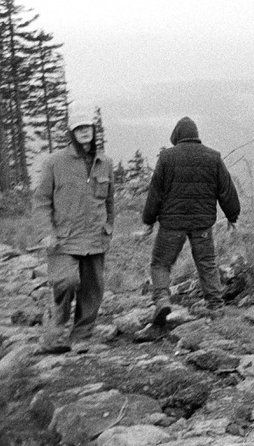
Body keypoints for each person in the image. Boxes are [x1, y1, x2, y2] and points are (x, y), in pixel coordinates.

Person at [135, 116, 240, 340]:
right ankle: (216, 307)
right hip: (201, 223)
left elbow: (156, 193)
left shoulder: (166, 157)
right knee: (207, 263)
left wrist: (148, 221)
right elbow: (226, 190)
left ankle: (162, 301)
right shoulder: (213, 157)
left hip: (172, 224)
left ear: (176, 136)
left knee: (161, 263)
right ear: (196, 134)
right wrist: (233, 216)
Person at [33, 112, 115, 352]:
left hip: (95, 237)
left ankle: (81, 336)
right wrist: (46, 233)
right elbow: (40, 201)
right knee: (65, 282)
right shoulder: (54, 162)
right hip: (63, 238)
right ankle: (55, 332)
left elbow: (110, 201)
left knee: (93, 289)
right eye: (78, 128)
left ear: (93, 130)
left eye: (87, 127)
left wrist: (109, 226)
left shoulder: (105, 163)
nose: (84, 132)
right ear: (71, 133)